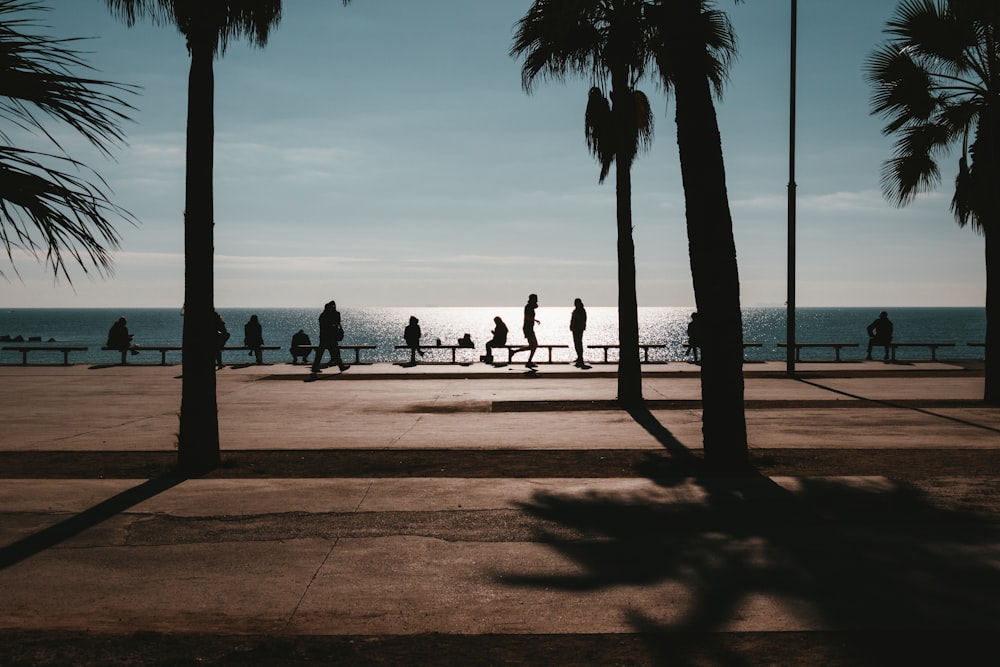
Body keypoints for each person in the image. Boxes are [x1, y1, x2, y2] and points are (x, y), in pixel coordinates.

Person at [311, 300, 349, 375]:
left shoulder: (326, 315)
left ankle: (315, 367)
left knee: (324, 353)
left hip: (327, 337)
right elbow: (330, 325)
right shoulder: (326, 316)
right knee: (330, 352)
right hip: (328, 337)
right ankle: (341, 366)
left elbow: (336, 322)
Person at [517, 293, 540, 368]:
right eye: (536, 299)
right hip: (528, 328)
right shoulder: (528, 307)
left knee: (533, 345)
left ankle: (515, 352)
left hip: (529, 328)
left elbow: (535, 308)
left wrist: (535, 320)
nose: (537, 301)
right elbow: (527, 317)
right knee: (534, 345)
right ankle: (529, 361)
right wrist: (533, 320)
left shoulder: (530, 307)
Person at [570, 298, 588, 368]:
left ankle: (580, 357)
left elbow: (583, 319)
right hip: (575, 329)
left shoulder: (581, 310)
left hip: (578, 329)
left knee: (578, 343)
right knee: (576, 343)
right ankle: (579, 357)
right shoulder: (576, 310)